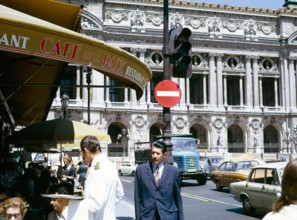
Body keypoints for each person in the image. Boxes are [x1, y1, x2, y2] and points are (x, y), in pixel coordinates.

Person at [134, 140, 184, 220]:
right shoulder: (141, 170)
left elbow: (177, 198)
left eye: (158, 153)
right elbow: (138, 198)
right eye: (153, 153)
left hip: (168, 216)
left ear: (164, 155)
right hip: (147, 216)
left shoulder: (173, 172)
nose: (154, 156)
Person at [78, 135, 124, 220]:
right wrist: (107, 206)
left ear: (86, 150)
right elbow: (120, 193)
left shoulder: (96, 168)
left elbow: (95, 204)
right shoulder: (110, 164)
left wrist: (75, 205)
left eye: (82, 154)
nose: (83, 157)